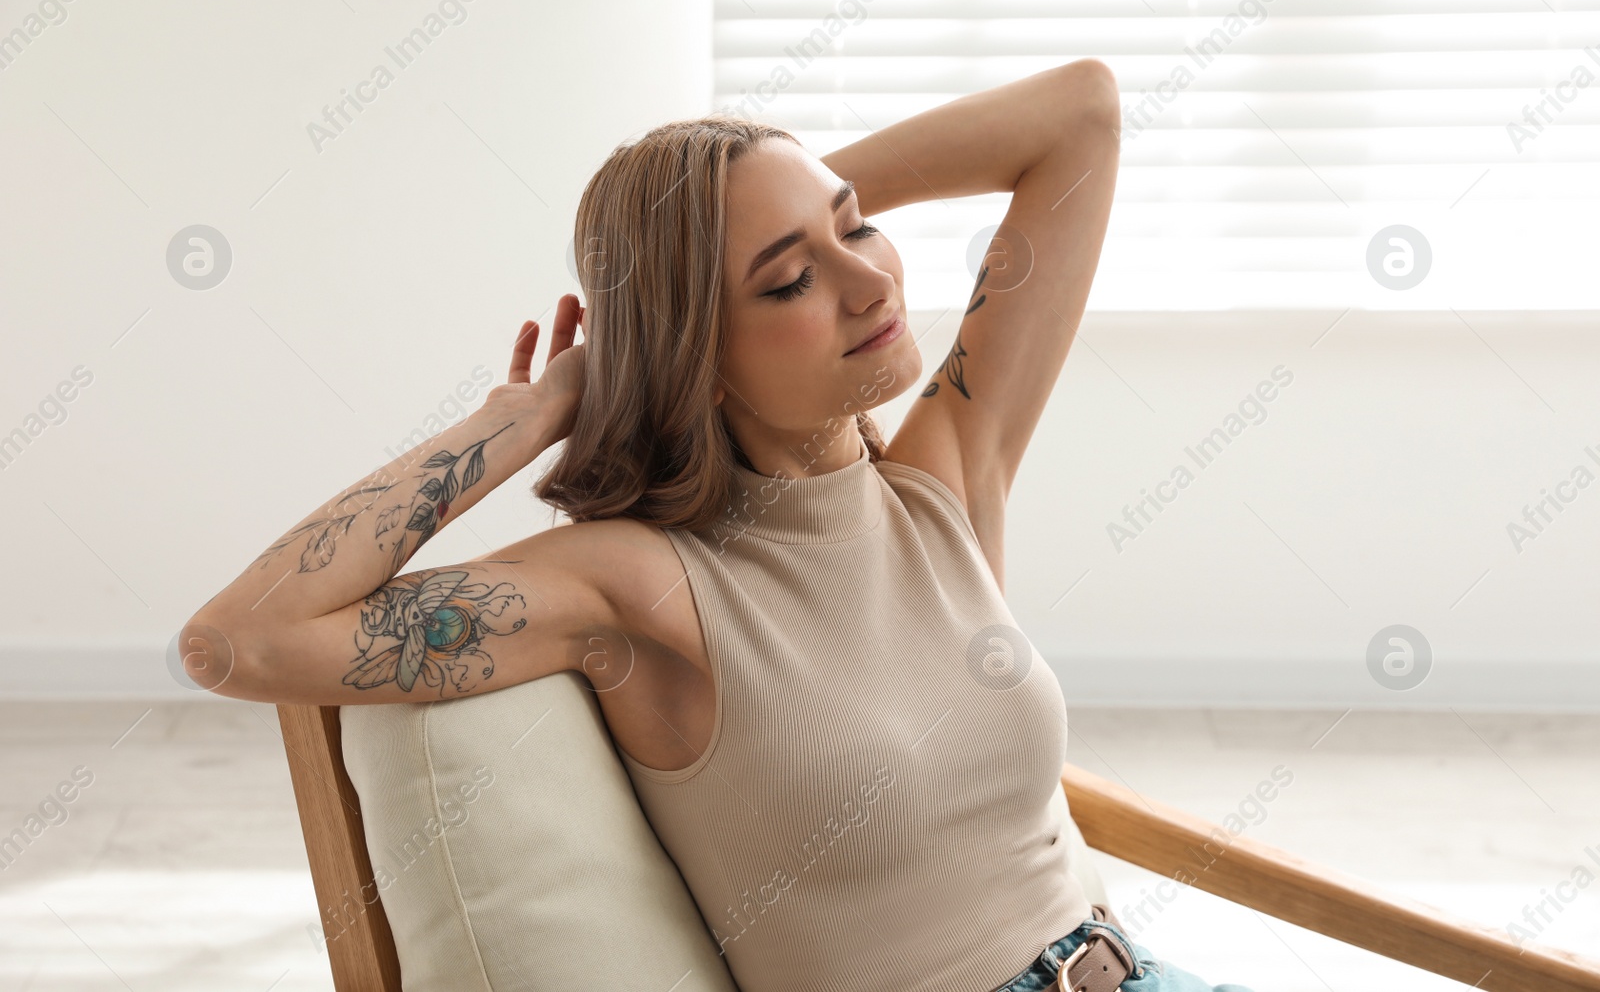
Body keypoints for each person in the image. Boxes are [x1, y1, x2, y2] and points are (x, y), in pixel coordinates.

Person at [185, 59, 1252, 992]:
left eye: (857, 225)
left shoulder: (941, 487)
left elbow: (1080, 115)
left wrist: (752, 200)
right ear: (695, 351)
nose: (868, 278)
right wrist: (522, 418)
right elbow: (240, 638)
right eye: (788, 278)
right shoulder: (641, 588)